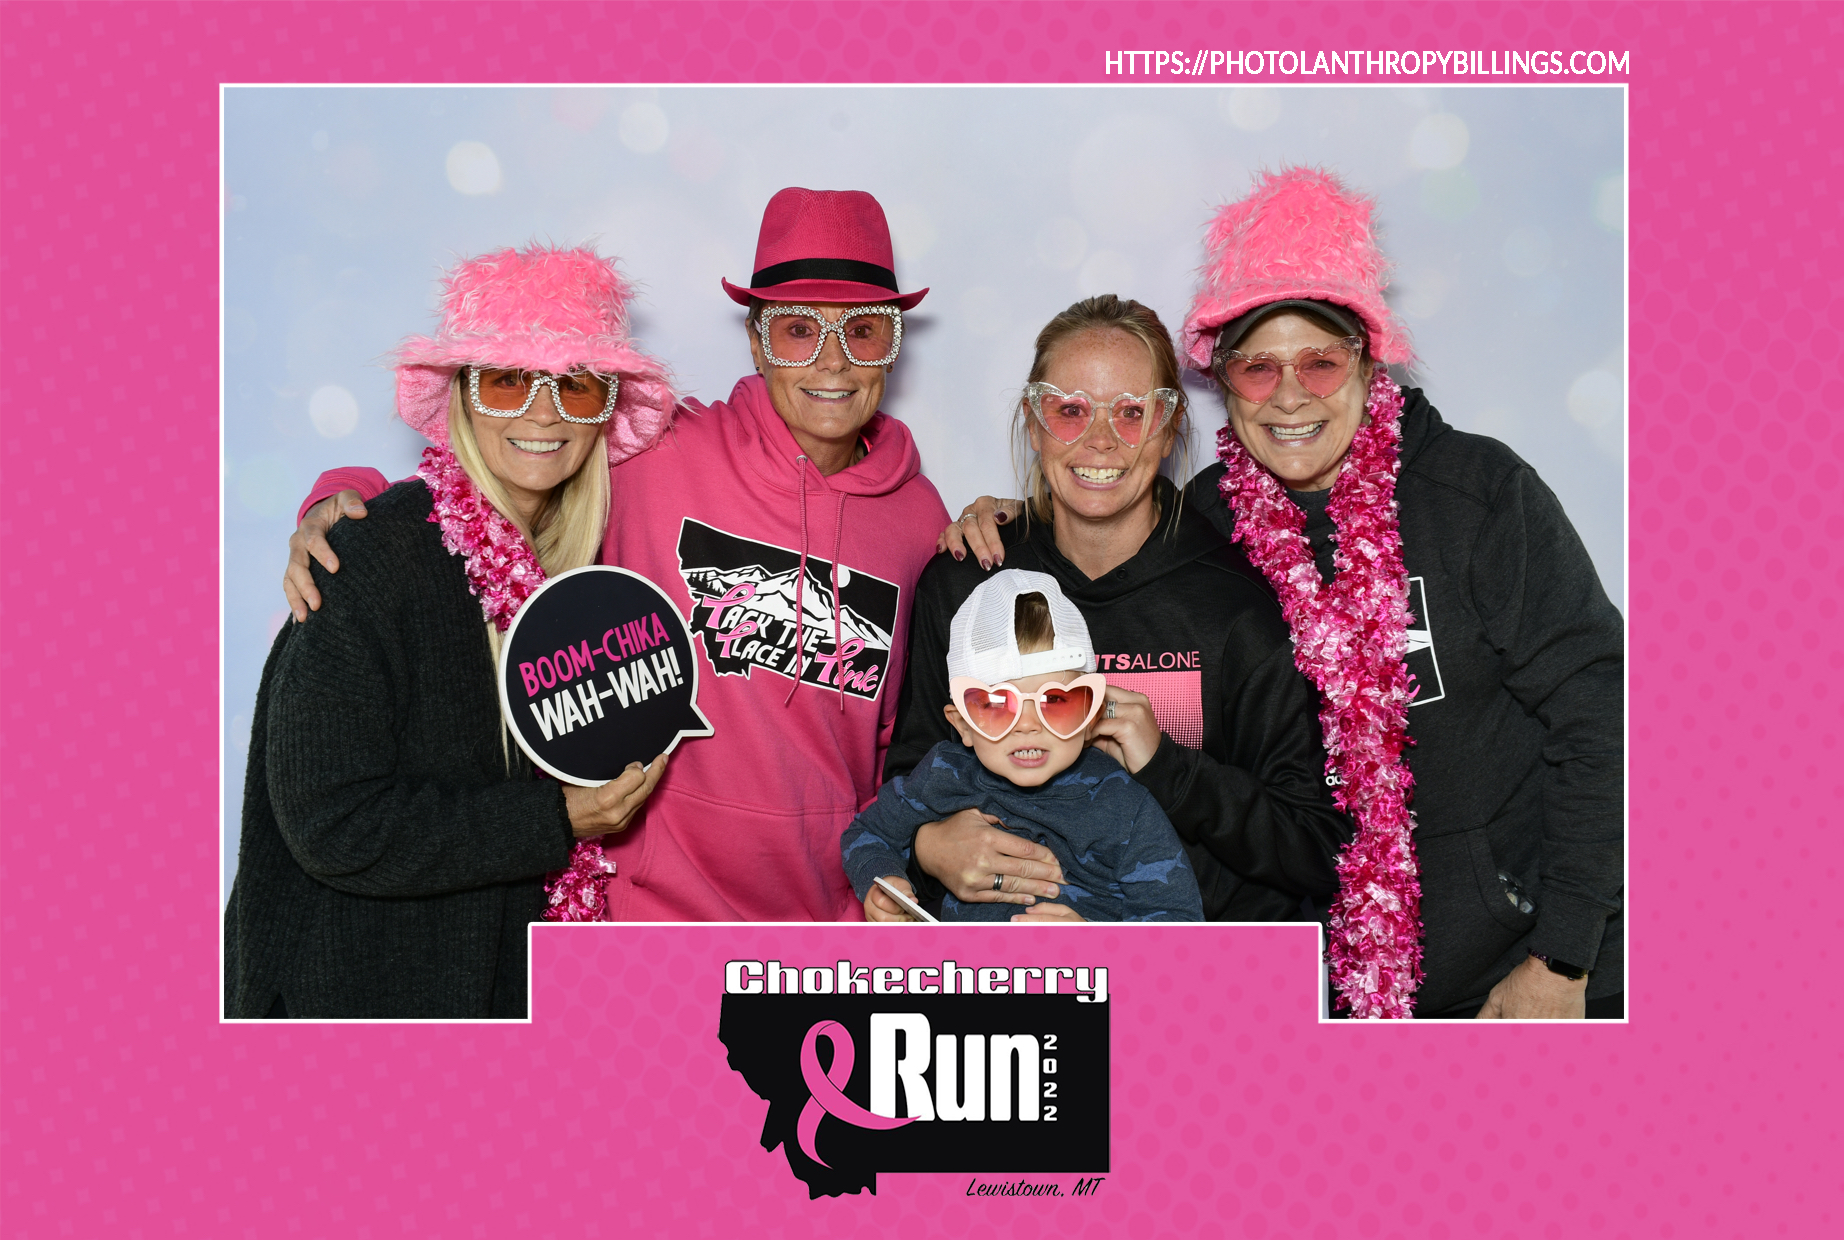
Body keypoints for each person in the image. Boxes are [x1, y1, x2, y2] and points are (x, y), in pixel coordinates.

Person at [947, 168, 1625, 1020]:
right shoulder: (1206, 524)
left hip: (1519, 978)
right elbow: (1101, 516)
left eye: (1320, 361)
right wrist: (1019, 521)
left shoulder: (1480, 495)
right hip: (1306, 986)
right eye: (1260, 369)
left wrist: (1561, 955)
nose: (1292, 395)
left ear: (1369, 363)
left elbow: (1602, 718)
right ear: (1223, 381)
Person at [281, 189, 951, 921]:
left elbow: (902, 737)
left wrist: (1006, 523)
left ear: (892, 343)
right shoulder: (659, 452)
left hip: (823, 923)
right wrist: (345, 497)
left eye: (861, 331)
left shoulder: (920, 519)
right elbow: (506, 466)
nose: (832, 362)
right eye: (798, 330)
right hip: (642, 915)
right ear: (758, 340)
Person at [225, 245, 675, 1019]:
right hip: (349, 1010)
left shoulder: (583, 583)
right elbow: (330, 821)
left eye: (575, 384)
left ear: (604, 407)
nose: (543, 412)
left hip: (500, 1010)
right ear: (464, 396)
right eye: (507, 381)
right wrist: (554, 820)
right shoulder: (369, 557)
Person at [883, 294, 1352, 925]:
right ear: (1033, 421)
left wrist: (1168, 767)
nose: (1100, 440)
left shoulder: (1236, 600)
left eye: (1132, 413)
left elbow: (1316, 848)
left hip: (1193, 985)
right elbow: (910, 780)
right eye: (1069, 410)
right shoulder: (970, 582)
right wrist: (926, 845)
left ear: (1169, 429)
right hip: (1005, 983)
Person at [843, 571, 1203, 923]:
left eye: (1056, 701)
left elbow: (1179, 926)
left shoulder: (1125, 806)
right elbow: (866, 833)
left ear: (1091, 715)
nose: (1028, 725)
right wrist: (881, 882)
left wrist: (1097, 948)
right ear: (963, 725)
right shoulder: (942, 773)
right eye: (999, 705)